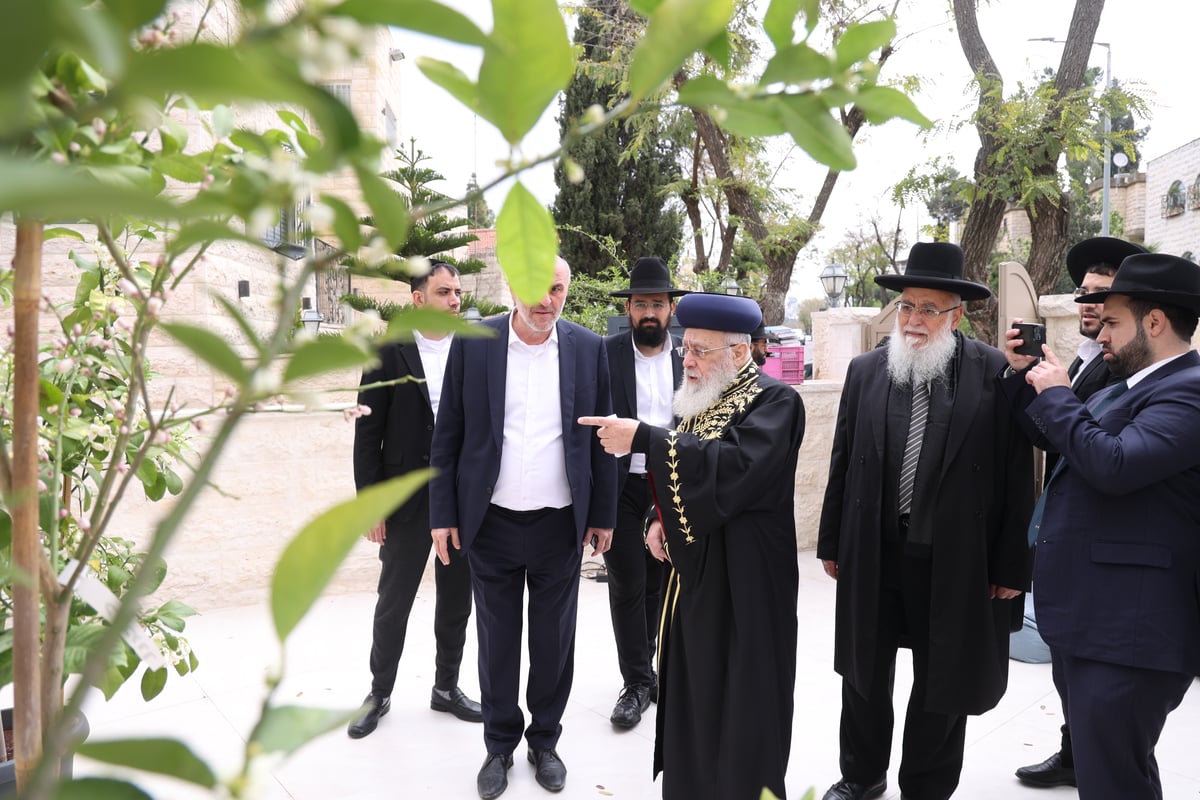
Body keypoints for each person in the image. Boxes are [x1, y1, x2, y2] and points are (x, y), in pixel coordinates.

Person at [816, 242, 1034, 800]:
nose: (913, 321)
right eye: (907, 306)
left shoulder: (993, 373)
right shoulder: (866, 371)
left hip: (955, 557)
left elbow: (1016, 476)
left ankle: (927, 784)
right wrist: (831, 541)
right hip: (875, 551)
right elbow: (843, 459)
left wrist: (1012, 566)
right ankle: (861, 776)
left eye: (929, 309)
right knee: (864, 677)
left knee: (944, 681)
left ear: (956, 315)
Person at [582, 292, 806, 800]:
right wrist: (654, 519)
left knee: (743, 706)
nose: (689, 361)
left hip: (746, 590)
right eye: (687, 349)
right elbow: (676, 479)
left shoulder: (775, 402)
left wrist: (645, 437)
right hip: (695, 587)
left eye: (701, 351)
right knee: (694, 699)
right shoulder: (700, 401)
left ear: (739, 352)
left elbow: (732, 471)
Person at [1000, 252, 1200, 800]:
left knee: (1114, 779)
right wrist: (1034, 383)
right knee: (1108, 770)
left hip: (1131, 632)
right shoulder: (1132, 385)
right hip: (1096, 622)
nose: (1101, 334)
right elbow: (1070, 441)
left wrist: (1061, 394)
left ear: (1154, 322)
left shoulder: (1190, 389)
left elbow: (1113, 464)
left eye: (1112, 321)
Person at [429, 256, 617, 800]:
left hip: (561, 526)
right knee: (498, 641)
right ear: (512, 286)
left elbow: (604, 440)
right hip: (491, 524)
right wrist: (442, 514)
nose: (546, 300)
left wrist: (602, 514)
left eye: (557, 288)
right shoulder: (474, 342)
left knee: (555, 642)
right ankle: (498, 745)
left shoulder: (587, 349)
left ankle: (546, 741)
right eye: (536, 288)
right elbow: (449, 435)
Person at [1009, 235, 1146, 788]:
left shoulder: (1133, 367)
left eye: (1103, 297)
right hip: (1067, 536)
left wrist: (1057, 393)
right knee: (1069, 665)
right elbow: (1045, 433)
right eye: (1083, 295)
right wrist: (1027, 377)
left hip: (1109, 546)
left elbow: (1099, 451)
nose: (1090, 306)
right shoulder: (1085, 362)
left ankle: (1088, 757)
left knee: (1103, 697)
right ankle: (1074, 752)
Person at [347, 260, 482, 739]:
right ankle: (379, 691)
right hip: (405, 499)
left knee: (456, 600)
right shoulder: (387, 351)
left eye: (458, 292)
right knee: (394, 600)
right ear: (418, 298)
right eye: (444, 292)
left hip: (460, 499)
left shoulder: (471, 347)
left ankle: (446, 688)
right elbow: (368, 435)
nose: (454, 301)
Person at [602, 257, 685, 730]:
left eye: (657, 303)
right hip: (621, 486)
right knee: (628, 583)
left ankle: (649, 669)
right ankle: (635, 682)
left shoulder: (689, 355)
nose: (648, 312)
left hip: (671, 484)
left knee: (659, 582)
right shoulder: (606, 353)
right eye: (640, 305)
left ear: (671, 309)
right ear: (629, 309)